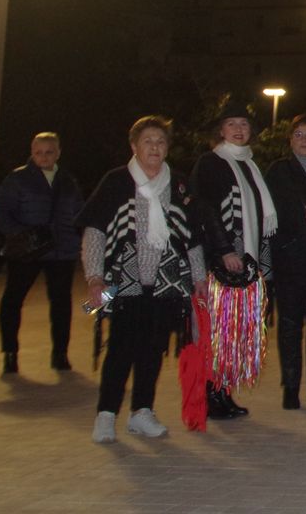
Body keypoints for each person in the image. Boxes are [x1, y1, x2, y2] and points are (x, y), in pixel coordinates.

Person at [77, 116, 206, 444]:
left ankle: (142, 412)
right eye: (148, 141)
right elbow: (95, 232)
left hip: (167, 283)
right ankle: (106, 414)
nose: (155, 147)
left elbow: (190, 236)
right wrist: (94, 278)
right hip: (125, 280)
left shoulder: (177, 183)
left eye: (161, 142)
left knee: (153, 348)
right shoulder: (117, 181)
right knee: (120, 347)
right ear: (134, 146)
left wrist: (199, 277)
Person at [189, 102, 276, 419]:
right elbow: (207, 210)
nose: (239, 129)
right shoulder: (211, 163)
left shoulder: (249, 165)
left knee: (233, 334)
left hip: (245, 262)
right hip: (222, 262)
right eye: (232, 124)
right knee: (215, 332)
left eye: (244, 124)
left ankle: (222, 392)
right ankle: (209, 394)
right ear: (220, 130)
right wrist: (225, 249)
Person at [0, 131, 84, 375]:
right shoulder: (18, 179)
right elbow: (1, 213)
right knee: (13, 299)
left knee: (61, 304)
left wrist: (78, 238)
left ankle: (60, 353)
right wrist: (21, 234)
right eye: (38, 152)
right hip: (28, 250)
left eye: (48, 152)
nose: (43, 157)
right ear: (32, 152)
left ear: (58, 152)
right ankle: (10, 353)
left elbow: (79, 212)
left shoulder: (68, 180)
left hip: (61, 251)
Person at [263, 115, 306, 409]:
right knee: (290, 329)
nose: (304, 139)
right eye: (298, 134)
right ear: (290, 140)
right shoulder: (279, 170)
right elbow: (270, 212)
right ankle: (290, 388)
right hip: (289, 260)